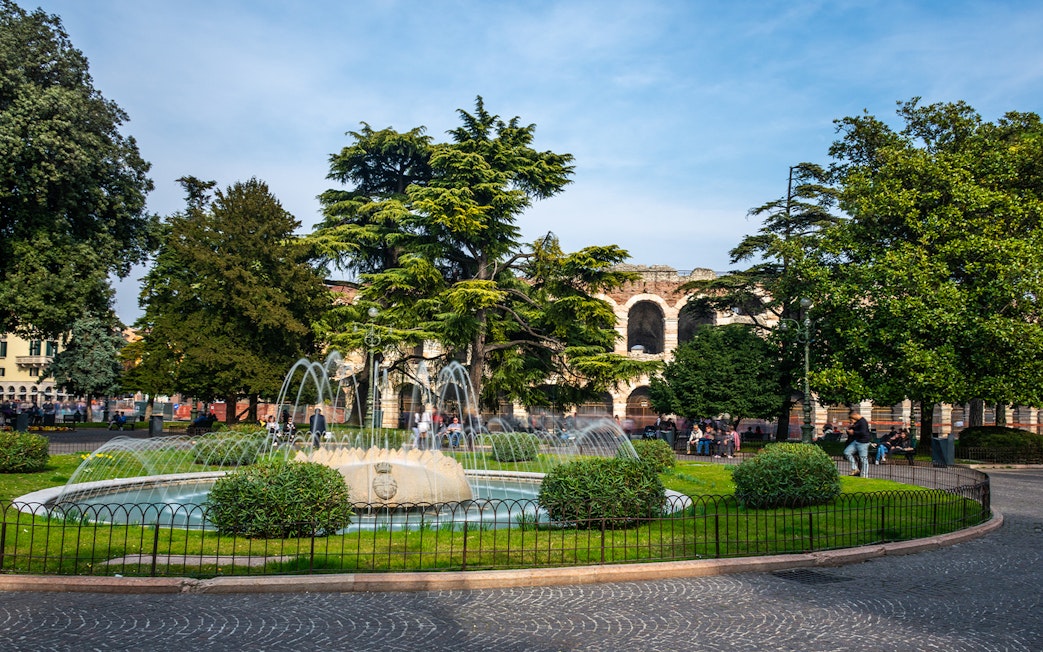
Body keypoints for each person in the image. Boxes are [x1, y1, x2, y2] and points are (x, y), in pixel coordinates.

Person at [844, 410, 872, 476]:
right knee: (847, 452)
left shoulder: (863, 422)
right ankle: (855, 468)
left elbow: (863, 432)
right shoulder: (858, 422)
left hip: (863, 442)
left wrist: (853, 432)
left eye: (852, 418)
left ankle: (864, 475)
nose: (852, 420)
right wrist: (851, 427)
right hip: (856, 441)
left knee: (863, 458)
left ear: (855, 415)